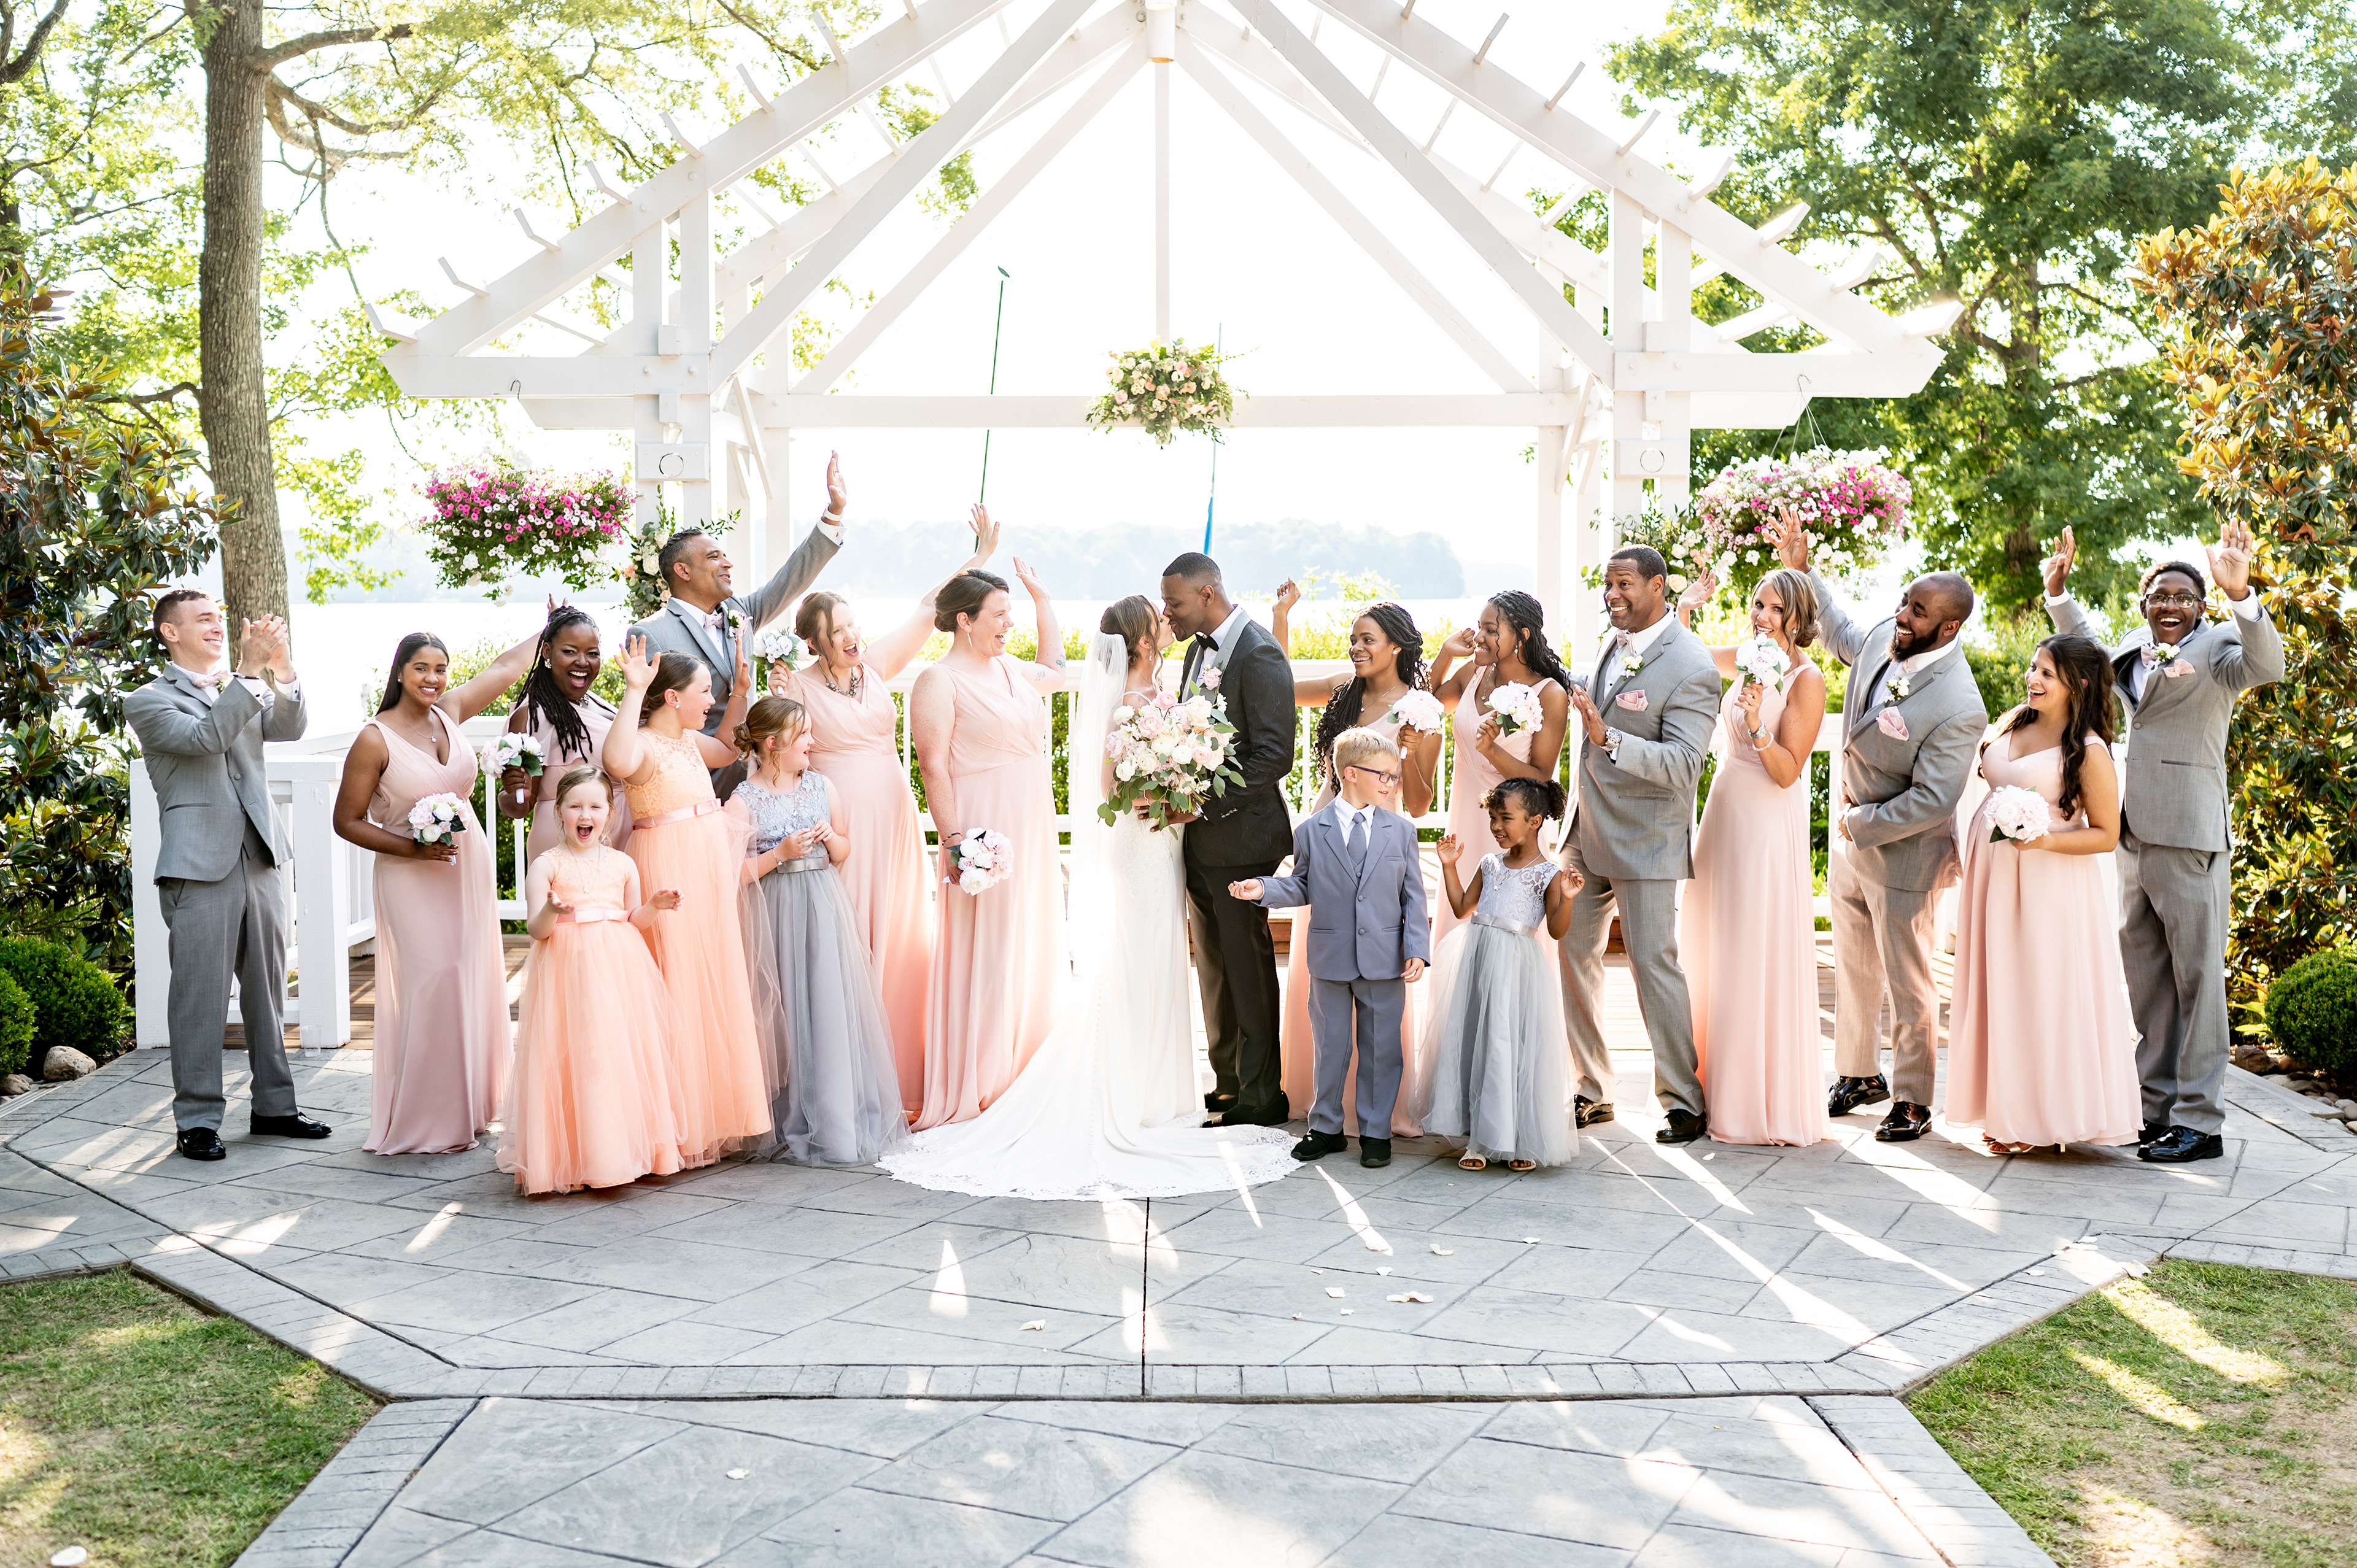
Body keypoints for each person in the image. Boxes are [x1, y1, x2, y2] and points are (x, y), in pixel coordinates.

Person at [880, 604, 1299, 1199]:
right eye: (1157, 616)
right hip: (1143, 841)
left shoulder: (1164, 686)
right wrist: (1164, 791)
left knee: (1161, 957)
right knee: (1140, 955)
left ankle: (1161, 1091)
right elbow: (1111, 785)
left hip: (1168, 842)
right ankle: (1132, 1091)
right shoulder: (1127, 701)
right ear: (1142, 640)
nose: (1166, 620)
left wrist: (1182, 786)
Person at [2043, 520, 2282, 1164]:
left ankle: (2200, 1123)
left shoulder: (2222, 645)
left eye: (2183, 596)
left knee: (2199, 981)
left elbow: (2269, 664)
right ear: (2144, 602)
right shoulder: (2132, 648)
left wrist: (2242, 594)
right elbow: (2086, 646)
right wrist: (2059, 594)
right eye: (2159, 595)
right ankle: (2154, 1111)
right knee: (2148, 981)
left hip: (2192, 835)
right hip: (2133, 834)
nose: (2170, 604)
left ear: (2201, 605)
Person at [775, 508, 1006, 1120]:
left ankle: (898, 1074)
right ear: (813, 641)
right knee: (848, 940)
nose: (852, 637)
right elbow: (776, 752)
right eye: (838, 631)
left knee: (901, 937)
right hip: (843, 824)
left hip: (895, 819)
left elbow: (929, 608)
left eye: (854, 625)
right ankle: (845, 1083)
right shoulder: (796, 686)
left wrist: (977, 560)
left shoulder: (874, 669)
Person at [1773, 516, 1989, 1143]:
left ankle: (1913, 1099)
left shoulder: (1960, 703)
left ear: (1949, 627)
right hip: (1851, 847)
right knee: (1853, 966)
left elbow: (1932, 800)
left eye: (1917, 611)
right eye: (1903, 601)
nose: (1902, 615)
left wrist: (1856, 821)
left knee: (1909, 981)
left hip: (1904, 856)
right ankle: (1859, 1071)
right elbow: (1839, 629)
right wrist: (1804, 569)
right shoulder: (1881, 640)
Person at [125, 593, 328, 1162]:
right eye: (204, 619)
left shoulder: (239, 685)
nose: (218, 625)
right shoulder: (147, 700)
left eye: (220, 617)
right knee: (199, 999)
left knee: (268, 990)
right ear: (170, 632)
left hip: (260, 855)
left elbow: (288, 726)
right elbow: (205, 739)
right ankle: (197, 1120)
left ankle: (275, 1107)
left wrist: (281, 666)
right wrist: (247, 670)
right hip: (197, 865)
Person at [333, 627, 540, 1155]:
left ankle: (469, 1109)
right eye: (422, 668)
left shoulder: (449, 712)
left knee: (468, 977)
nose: (433, 678)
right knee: (436, 979)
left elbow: (504, 668)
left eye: (441, 669)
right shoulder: (375, 738)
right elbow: (346, 820)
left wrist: (551, 626)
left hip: (464, 869)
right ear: (400, 672)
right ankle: (428, 1119)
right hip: (410, 873)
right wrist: (413, 849)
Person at [1946, 636, 2141, 1154]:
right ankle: (2003, 1106)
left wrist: (2044, 839)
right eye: (2033, 667)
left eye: (2047, 674)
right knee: (1999, 988)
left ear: (2078, 684)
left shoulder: (2090, 750)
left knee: (2037, 992)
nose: (2032, 678)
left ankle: (2037, 1118)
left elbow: (2105, 833)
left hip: (2047, 884)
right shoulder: (2015, 720)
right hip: (1994, 875)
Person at [1560, 547, 1724, 1143]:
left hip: (1647, 836)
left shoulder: (1693, 665)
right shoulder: (1616, 640)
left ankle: (1683, 1100)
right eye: (1608, 584)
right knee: (1572, 953)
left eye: (1624, 583)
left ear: (1658, 586)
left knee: (1653, 965)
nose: (1612, 594)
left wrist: (1608, 738)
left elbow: (1684, 764)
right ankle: (1592, 1087)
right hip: (1585, 830)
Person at [1265, 587, 1439, 1134]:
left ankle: (1381, 1113)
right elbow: (1278, 684)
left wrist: (1413, 751)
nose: (1356, 648)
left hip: (1380, 847)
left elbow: (1420, 803)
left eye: (1368, 640)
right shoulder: (1344, 689)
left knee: (1378, 973)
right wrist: (1281, 617)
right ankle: (1317, 1100)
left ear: (1396, 646)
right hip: (1327, 836)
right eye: (1353, 640)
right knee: (1324, 965)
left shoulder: (1420, 709)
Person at [907, 552, 1070, 1129]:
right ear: (964, 620)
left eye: (1010, 613)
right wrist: (955, 842)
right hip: (985, 828)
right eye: (999, 614)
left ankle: (1027, 1066)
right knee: (991, 948)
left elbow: (1056, 671)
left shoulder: (1009, 668)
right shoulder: (937, 680)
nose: (1009, 623)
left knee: (1029, 938)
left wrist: (1043, 600)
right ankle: (982, 1078)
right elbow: (933, 766)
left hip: (1031, 820)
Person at [1672, 568, 1830, 1148]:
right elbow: (1689, 656)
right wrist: (1685, 606)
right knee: (1710, 942)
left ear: (1797, 617)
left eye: (1774, 608)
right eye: (1757, 604)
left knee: (1750, 945)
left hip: (1765, 819)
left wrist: (1758, 723)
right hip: (1724, 810)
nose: (1761, 616)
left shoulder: (1807, 679)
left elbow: (1788, 772)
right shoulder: (1746, 656)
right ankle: (1703, 1087)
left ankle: (1752, 1100)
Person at [603, 636, 772, 1165]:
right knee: (677, 981)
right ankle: (677, 1120)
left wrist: (741, 690)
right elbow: (615, 759)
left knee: (710, 979)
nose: (710, 700)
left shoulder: (689, 741)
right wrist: (635, 690)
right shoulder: (644, 745)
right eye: (705, 691)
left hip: (706, 869)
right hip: (669, 867)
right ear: (673, 698)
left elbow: (728, 748)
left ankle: (713, 1112)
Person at [1231, 727, 1430, 1168]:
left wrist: (1416, 948)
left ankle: (1376, 1131)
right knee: (1330, 1047)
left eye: (1394, 776)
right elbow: (1302, 884)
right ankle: (1325, 1127)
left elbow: (1413, 896)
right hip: (1330, 958)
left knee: (1382, 1049)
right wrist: (1262, 889)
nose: (1391, 784)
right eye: (1384, 775)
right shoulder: (1311, 831)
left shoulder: (1401, 831)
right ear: (1351, 773)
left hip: (1385, 959)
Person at [731, 697, 911, 1167]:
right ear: (774, 744)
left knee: (828, 1003)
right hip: (776, 912)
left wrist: (832, 839)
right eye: (804, 734)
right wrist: (779, 854)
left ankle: (836, 1118)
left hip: (824, 906)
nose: (813, 741)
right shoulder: (743, 799)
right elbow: (732, 873)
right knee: (787, 1010)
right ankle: (790, 1115)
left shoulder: (822, 785)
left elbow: (844, 849)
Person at [500, 768, 688, 1193]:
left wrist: (654, 906)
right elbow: (537, 930)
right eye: (575, 806)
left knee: (614, 1052)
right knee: (576, 1053)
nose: (585, 815)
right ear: (559, 812)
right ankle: (576, 1154)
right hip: (567, 973)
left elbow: (633, 919)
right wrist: (552, 910)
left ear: (610, 813)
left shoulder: (623, 863)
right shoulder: (547, 865)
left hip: (619, 970)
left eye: (595, 806)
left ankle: (620, 1149)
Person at [1161, 553, 1299, 1128]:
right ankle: (1228, 1082)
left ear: (1208, 593)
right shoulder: (1195, 651)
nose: (1167, 613)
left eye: (1174, 602)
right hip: (1200, 841)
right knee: (1214, 966)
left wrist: (1202, 804)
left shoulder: (1260, 652)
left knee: (1246, 965)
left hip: (1243, 838)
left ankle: (1263, 1094)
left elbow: (1274, 754)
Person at [626, 453, 850, 792]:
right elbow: (648, 723)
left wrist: (833, 514)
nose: (727, 563)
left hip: (756, 777)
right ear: (683, 571)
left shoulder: (739, 611)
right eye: (714, 557)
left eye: (726, 555)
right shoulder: (650, 633)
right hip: (695, 783)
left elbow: (791, 580)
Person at [1410, 778, 1582, 1171]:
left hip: (1516, 968)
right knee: (1479, 1040)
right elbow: (1461, 908)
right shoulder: (1490, 864)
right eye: (1493, 818)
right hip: (1479, 959)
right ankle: (1479, 1140)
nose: (1496, 826)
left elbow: (1557, 930)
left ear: (1535, 821)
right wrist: (1449, 866)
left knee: (1510, 1044)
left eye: (1506, 818)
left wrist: (1569, 899)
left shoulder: (1548, 874)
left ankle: (1519, 1138)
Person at [1425, 590, 1575, 949]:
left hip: (1512, 823)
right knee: (1458, 916)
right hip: (1464, 814)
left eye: (1491, 630)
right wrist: (1445, 654)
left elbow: (1541, 777)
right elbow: (1425, 706)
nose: (1479, 637)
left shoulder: (1549, 694)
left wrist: (1491, 751)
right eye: (1480, 627)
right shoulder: (1474, 673)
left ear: (1522, 636)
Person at [497, 606, 632, 864]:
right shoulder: (532, 716)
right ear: (547, 652)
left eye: (592, 653)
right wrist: (515, 792)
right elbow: (518, 806)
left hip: (619, 840)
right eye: (570, 652)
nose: (582, 662)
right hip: (566, 846)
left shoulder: (595, 702)